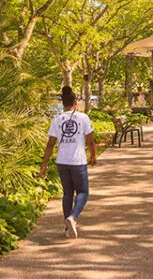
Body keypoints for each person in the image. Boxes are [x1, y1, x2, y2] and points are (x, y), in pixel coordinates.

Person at [40, 86, 97, 238]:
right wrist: (93, 156)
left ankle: (67, 229)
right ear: (76, 102)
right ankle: (73, 217)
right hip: (78, 161)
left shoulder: (57, 120)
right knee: (83, 192)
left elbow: (50, 144)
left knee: (67, 193)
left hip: (62, 161)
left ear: (63, 103)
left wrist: (44, 165)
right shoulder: (83, 118)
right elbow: (90, 141)